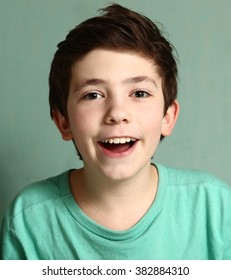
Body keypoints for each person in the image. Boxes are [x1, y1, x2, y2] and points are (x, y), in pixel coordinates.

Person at [1, 3, 230, 260]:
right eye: (93, 95)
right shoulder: (28, 219)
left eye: (139, 93)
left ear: (168, 117)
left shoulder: (216, 207)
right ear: (63, 122)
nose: (117, 112)